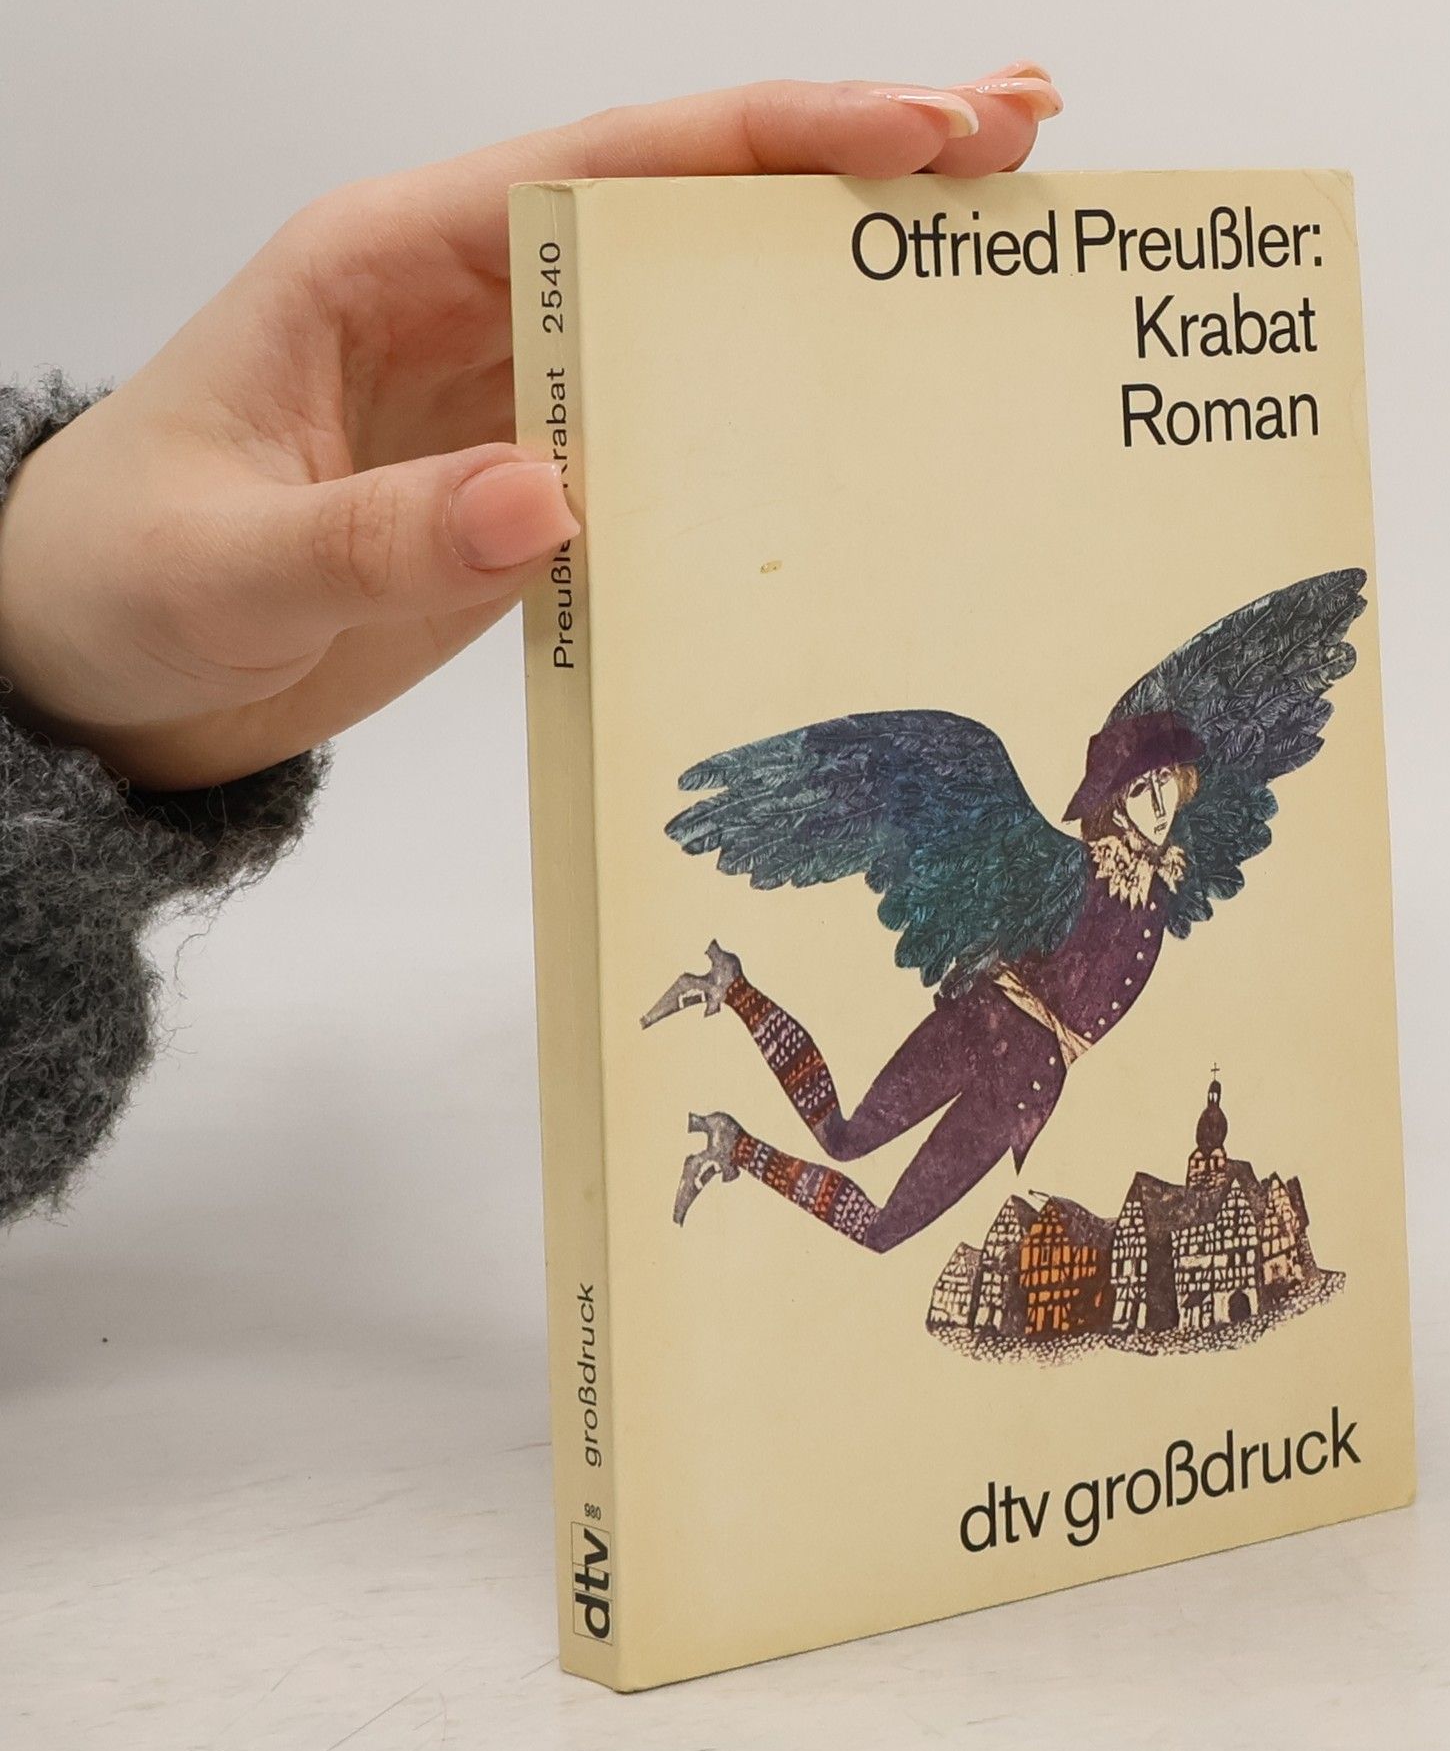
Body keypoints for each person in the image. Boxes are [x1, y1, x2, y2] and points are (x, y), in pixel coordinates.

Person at [0, 69, 1065, 1226]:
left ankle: (732, 1028)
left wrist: (45, 668)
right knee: (859, 1156)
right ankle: (736, 1026)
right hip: (1003, 1027)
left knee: (874, 1185)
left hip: (1037, 1059)